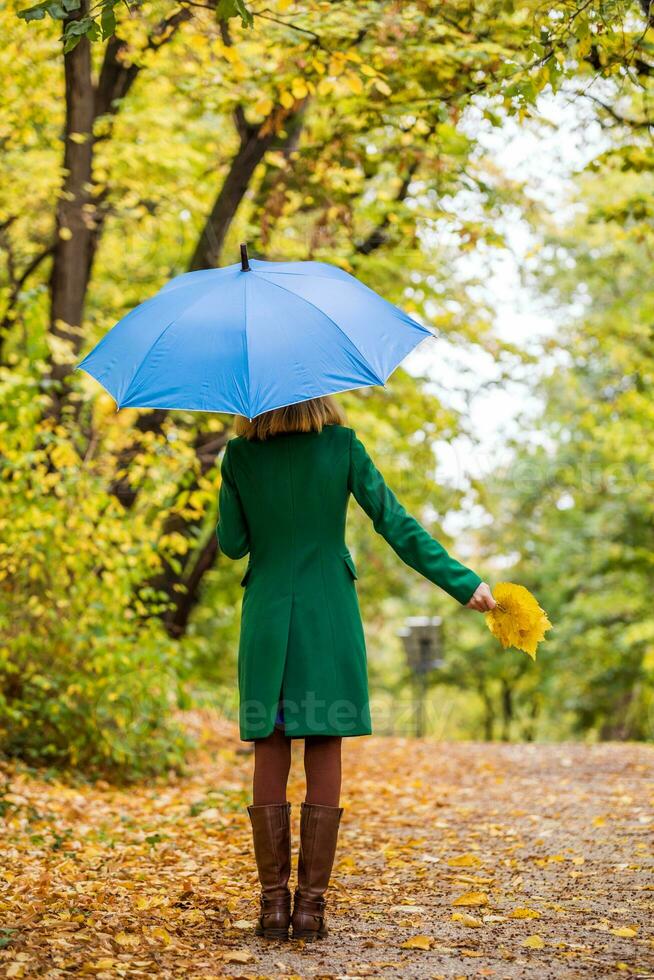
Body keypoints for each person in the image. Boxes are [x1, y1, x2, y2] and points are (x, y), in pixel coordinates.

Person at [216, 396, 495, 942]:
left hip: (268, 617)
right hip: (328, 618)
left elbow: (231, 545)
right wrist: (464, 583)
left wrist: (239, 484)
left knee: (270, 747)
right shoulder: (344, 447)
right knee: (324, 746)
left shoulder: (239, 455)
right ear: (321, 391)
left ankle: (273, 908)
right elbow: (396, 523)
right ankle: (310, 911)